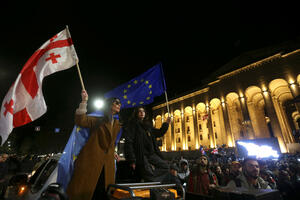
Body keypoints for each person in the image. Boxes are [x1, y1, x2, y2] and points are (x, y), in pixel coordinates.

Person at [66, 90, 122, 200]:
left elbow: (111, 143)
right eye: (116, 102)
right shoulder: (98, 119)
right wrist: (84, 101)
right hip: (91, 161)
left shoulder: (117, 124)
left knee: (104, 193)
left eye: (120, 103)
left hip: (107, 165)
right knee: (88, 192)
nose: (119, 104)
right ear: (109, 105)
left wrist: (113, 152)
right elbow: (80, 120)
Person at [124, 106, 171, 182]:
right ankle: (151, 180)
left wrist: (166, 123)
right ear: (136, 113)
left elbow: (159, 133)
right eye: (139, 111)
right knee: (148, 172)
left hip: (151, 154)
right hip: (141, 155)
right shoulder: (133, 125)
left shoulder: (148, 126)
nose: (142, 113)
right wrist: (132, 159)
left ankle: (151, 180)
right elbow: (129, 142)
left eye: (143, 111)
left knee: (165, 167)